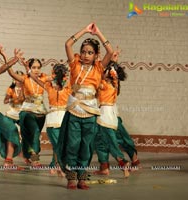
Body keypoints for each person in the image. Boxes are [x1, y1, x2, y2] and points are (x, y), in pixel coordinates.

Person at [56, 22, 113, 190]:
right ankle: (71, 177)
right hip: (74, 110)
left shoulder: (98, 68)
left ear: (96, 55)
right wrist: (85, 31)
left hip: (90, 112)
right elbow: (68, 44)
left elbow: (110, 52)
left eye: (90, 52)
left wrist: (98, 33)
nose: (86, 55)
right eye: (83, 51)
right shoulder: (75, 64)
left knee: (86, 146)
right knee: (73, 144)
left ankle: (82, 177)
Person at [28, 63, 70, 176]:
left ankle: (55, 165)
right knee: (57, 144)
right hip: (52, 120)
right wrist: (28, 69)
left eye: (52, 73)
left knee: (60, 145)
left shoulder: (68, 87)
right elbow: (36, 79)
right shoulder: (49, 86)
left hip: (63, 119)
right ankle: (58, 166)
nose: (51, 75)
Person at [7, 58, 49, 167]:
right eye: (33, 67)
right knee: (35, 133)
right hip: (28, 111)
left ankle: (26, 155)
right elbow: (11, 73)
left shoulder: (43, 78)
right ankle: (35, 158)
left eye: (38, 67)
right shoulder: (24, 78)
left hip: (41, 111)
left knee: (34, 135)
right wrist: (7, 58)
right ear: (29, 68)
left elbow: (57, 77)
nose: (36, 70)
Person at [94, 55, 131, 177]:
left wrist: (99, 63)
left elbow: (95, 79)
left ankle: (122, 162)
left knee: (110, 142)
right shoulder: (115, 84)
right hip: (109, 115)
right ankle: (104, 167)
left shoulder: (104, 84)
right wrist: (112, 62)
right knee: (100, 142)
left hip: (104, 115)